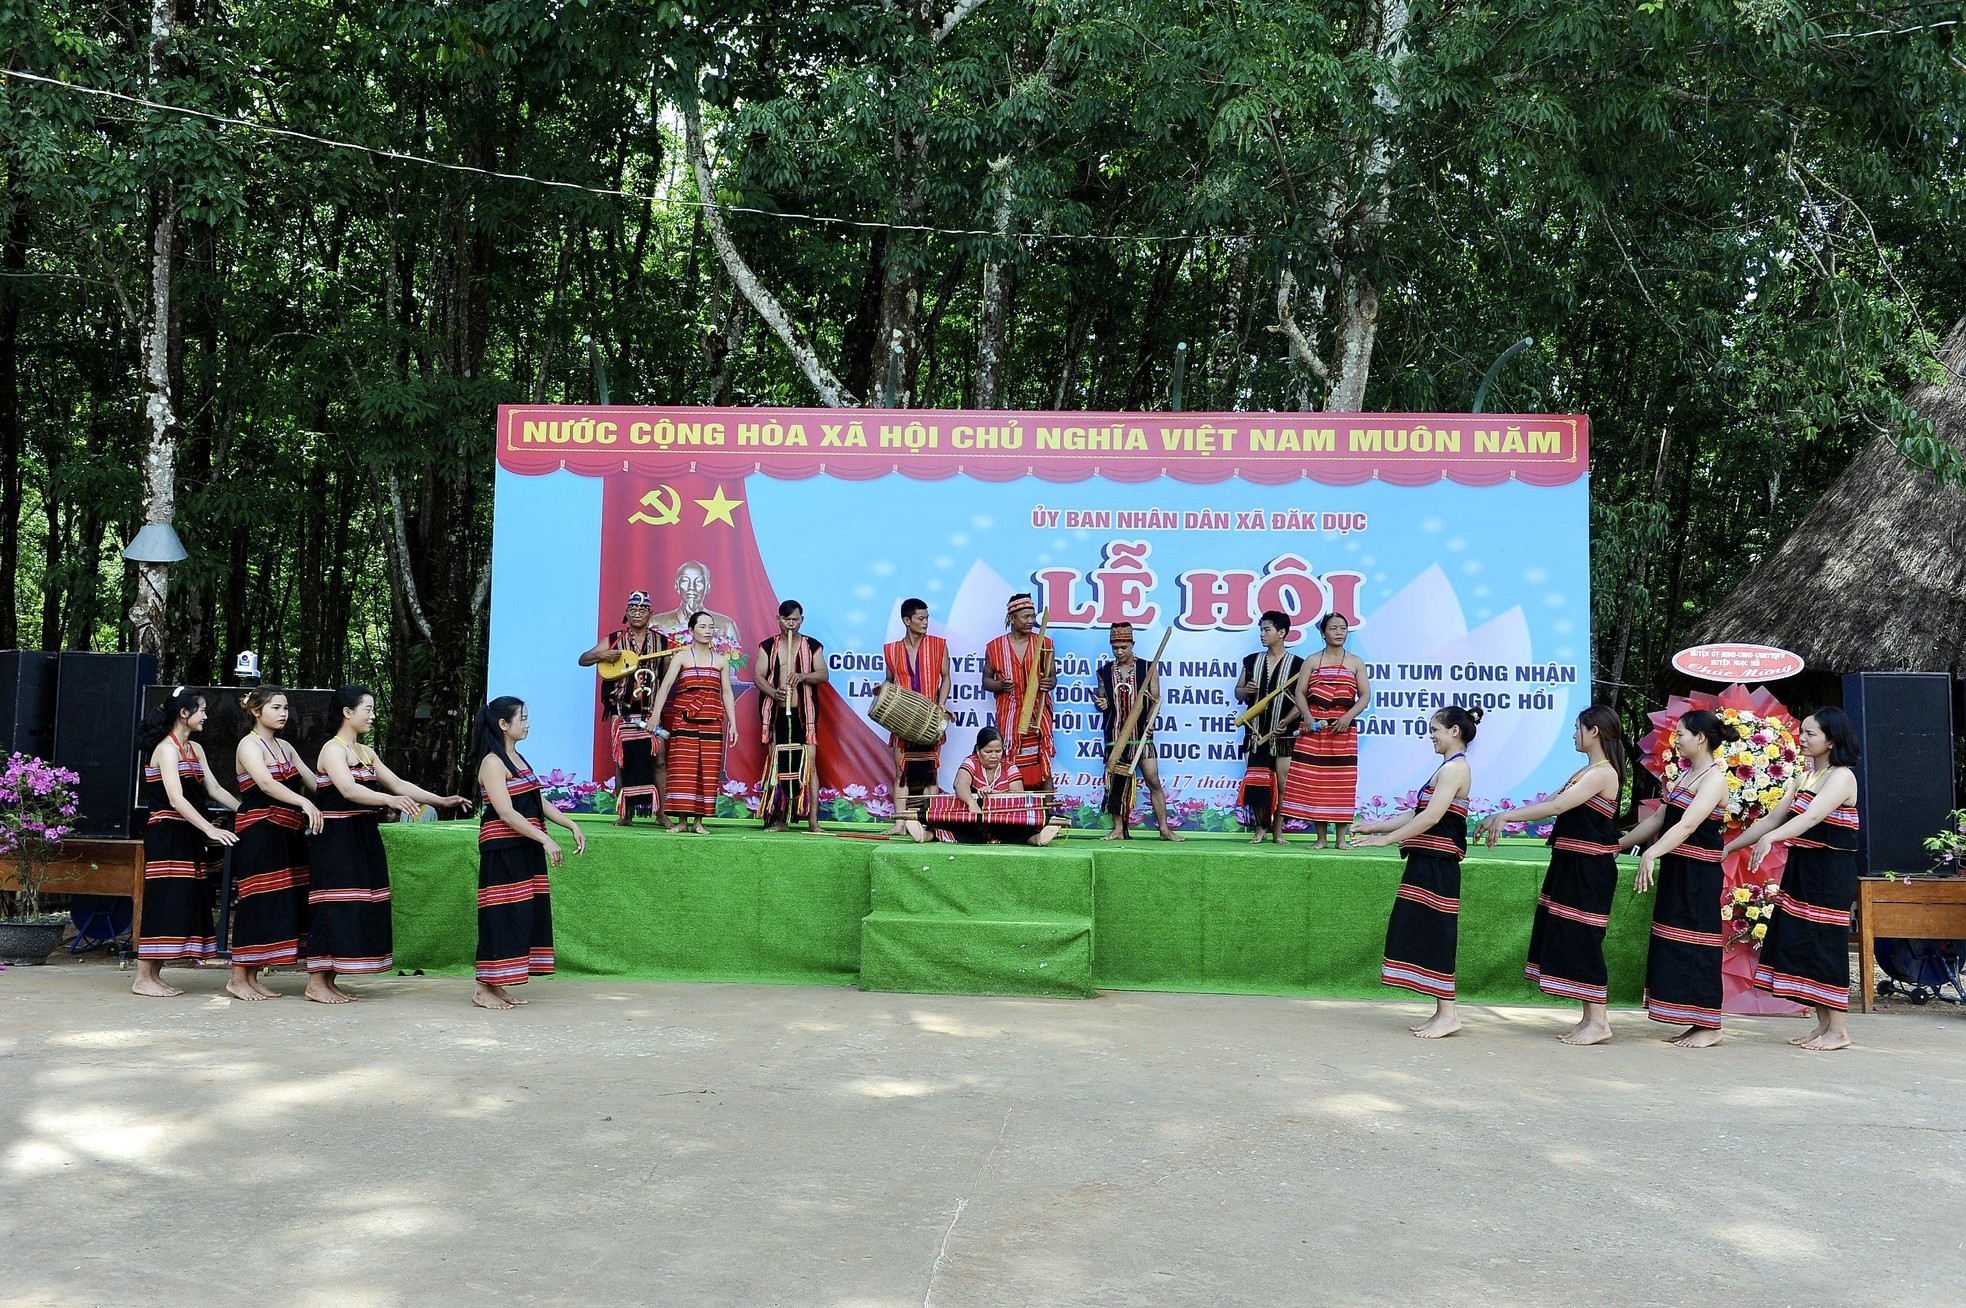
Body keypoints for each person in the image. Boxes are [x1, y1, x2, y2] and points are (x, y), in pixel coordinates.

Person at [1475, 705, 1628, 1045]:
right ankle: (1589, 1018)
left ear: (1594, 732)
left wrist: (1506, 817)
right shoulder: (1585, 771)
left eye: (1578, 728)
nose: (1573, 734)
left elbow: (1558, 807)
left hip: (1590, 869)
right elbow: (1553, 800)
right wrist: (1499, 816)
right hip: (1572, 864)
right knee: (1570, 935)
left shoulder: (1603, 772)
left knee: (1585, 939)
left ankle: (1600, 1021)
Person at [310, 686, 471, 1003]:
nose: (372, 715)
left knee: (359, 902)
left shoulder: (366, 752)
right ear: (347, 712)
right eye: (367, 709)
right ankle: (315, 982)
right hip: (337, 837)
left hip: (363, 833)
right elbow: (348, 790)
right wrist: (391, 800)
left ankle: (329, 979)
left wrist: (441, 799)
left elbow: (398, 784)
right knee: (335, 902)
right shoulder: (333, 749)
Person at [1724, 707, 1862, 1051]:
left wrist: (1772, 840)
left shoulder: (1842, 776)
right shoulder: (1803, 776)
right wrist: (1730, 847)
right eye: (1802, 732)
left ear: (1831, 740)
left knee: (1826, 944)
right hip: (1803, 870)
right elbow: (1771, 820)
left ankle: (1839, 1030)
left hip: (1830, 873)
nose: (1802, 738)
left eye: (1810, 733)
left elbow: (1814, 816)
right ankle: (1823, 1026)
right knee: (1803, 943)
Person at [1351, 705, 1480, 1039]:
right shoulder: (1447, 768)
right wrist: (1374, 827)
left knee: (1438, 932)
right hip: (1427, 860)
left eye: (1435, 730)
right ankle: (1442, 1011)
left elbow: (1432, 817)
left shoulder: (1455, 769)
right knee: (1424, 929)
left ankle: (1449, 1013)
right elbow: (1417, 812)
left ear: (1454, 731)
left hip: (1438, 863)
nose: (1432, 737)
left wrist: (1386, 841)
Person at [1618, 708, 1733, 1047]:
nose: (1676, 739)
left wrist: (1652, 854)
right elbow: (1659, 820)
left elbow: (1688, 825)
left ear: (1700, 738)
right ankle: (1693, 1019)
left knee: (1698, 944)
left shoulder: (1715, 779)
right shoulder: (1684, 776)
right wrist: (1617, 845)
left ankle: (1711, 1024)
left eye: (1682, 733)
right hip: (1678, 869)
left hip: (1699, 874)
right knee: (1674, 941)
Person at [471, 696, 585, 1010]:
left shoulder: (519, 759)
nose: (527, 723)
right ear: (503, 725)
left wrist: (569, 824)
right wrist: (545, 840)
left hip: (524, 847)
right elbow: (506, 812)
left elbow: (537, 803)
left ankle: (497, 984)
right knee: (501, 914)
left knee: (520, 915)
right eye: (521, 718)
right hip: (503, 849)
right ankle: (483, 987)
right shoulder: (492, 763)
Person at [131, 688, 241, 998]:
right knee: (163, 899)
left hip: (187, 835)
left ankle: (155, 974)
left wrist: (246, 813)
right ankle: (142, 977)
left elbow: (215, 788)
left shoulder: (195, 750)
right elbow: (176, 799)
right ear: (184, 713)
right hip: (167, 833)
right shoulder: (166, 749)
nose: (206, 715)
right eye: (201, 709)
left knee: (180, 899)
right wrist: (210, 828)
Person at [226, 687, 324, 1001]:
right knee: (257, 901)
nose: (283, 713)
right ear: (256, 711)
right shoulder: (248, 745)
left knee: (280, 903)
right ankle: (237, 977)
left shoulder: (285, 746)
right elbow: (266, 784)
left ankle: (252, 976)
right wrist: (304, 804)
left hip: (288, 834)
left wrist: (353, 790)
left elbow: (314, 782)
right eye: (276, 707)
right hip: (260, 833)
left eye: (285, 708)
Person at [578, 590, 669, 825]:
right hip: (622, 711)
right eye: (633, 609)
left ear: (651, 614)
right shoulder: (613, 639)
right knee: (622, 762)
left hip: (651, 711)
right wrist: (603, 655)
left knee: (658, 760)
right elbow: (583, 659)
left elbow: (668, 677)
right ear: (626, 613)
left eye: (642, 610)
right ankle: (624, 814)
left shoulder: (662, 642)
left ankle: (661, 814)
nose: (637, 613)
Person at [1281, 612, 1371, 848]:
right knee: (1315, 783)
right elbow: (1300, 693)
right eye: (1333, 628)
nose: (1339, 632)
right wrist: (1308, 717)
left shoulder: (1355, 661)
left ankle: (1341, 839)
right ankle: (1320, 838)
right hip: (1314, 731)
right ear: (1323, 633)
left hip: (1343, 731)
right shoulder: (1312, 660)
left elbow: (1365, 696)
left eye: (1343, 628)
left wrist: (1348, 716)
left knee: (1341, 783)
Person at [649, 612, 740, 834]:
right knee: (683, 770)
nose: (708, 630)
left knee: (706, 771)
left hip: (712, 723)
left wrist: (734, 725)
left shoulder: (720, 660)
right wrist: (655, 714)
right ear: (691, 630)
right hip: (684, 722)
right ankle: (681, 821)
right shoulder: (681, 657)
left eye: (711, 627)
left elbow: (727, 693)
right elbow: (666, 686)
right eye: (703, 626)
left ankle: (699, 822)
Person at [1094, 623, 1182, 841]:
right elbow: (1101, 698)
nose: (1119, 651)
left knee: (1153, 780)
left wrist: (1151, 720)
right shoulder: (1104, 671)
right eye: (1115, 647)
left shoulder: (1148, 668)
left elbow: (1156, 699)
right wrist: (1101, 704)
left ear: (1132, 644)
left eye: (1123, 646)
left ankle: (1164, 829)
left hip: (1142, 736)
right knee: (1116, 784)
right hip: (1115, 735)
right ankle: (1118, 830)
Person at [903, 727, 1060, 847]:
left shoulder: (1009, 766)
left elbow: (1017, 793)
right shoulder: (971, 761)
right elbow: (960, 784)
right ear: (978, 750)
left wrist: (996, 793)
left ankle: (1039, 839)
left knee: (1018, 830)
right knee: (958, 828)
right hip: (973, 818)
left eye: (998, 751)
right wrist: (972, 802)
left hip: (1001, 820)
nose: (994, 756)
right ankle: (924, 835)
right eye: (988, 751)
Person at [755, 600, 828, 833]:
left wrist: (802, 676)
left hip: (803, 714)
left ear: (801, 620)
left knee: (810, 767)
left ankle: (813, 822)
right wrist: (773, 692)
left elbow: (823, 674)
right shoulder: (767, 646)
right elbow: (758, 677)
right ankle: (780, 820)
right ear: (778, 619)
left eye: (795, 620)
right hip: (776, 713)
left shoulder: (812, 645)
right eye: (786, 619)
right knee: (779, 764)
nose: (790, 624)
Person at [882, 598, 951, 833]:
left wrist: (941, 705)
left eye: (927, 618)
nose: (926, 623)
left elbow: (946, 678)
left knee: (930, 773)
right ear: (906, 620)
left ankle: (928, 822)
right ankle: (900, 823)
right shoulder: (891, 649)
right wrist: (881, 691)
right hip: (902, 720)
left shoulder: (939, 645)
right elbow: (889, 682)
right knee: (902, 772)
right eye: (921, 619)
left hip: (930, 719)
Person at [1234, 611, 1304, 845]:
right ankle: (1259, 829)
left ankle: (1278, 832)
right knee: (1257, 782)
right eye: (1261, 630)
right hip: (1255, 732)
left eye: (1267, 630)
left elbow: (1302, 700)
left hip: (1283, 734)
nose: (1262, 634)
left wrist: (1286, 720)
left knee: (1282, 784)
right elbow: (1238, 691)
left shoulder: (1298, 665)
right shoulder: (1252, 660)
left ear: (1282, 632)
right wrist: (1248, 691)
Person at [983, 593, 1056, 791]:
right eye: (1025, 617)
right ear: (1012, 618)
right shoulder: (995, 647)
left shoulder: (1045, 644)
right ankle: (1015, 812)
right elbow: (986, 681)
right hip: (1010, 711)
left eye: (1033, 616)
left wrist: (1049, 682)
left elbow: (1052, 677)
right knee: (1010, 757)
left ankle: (1047, 815)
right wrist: (1000, 685)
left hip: (1039, 711)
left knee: (1044, 759)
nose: (1031, 621)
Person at [650, 561, 740, 646]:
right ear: (676, 586)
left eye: (698, 581)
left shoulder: (726, 624)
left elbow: (734, 659)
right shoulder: (657, 623)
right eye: (685, 581)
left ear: (707, 587)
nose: (691, 587)